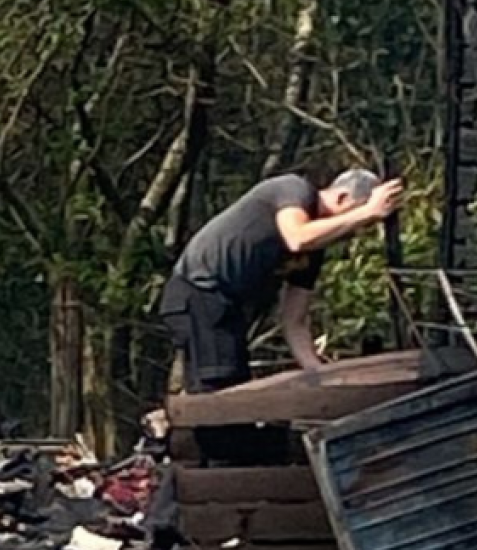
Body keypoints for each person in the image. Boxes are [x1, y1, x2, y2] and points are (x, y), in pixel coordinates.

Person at [159, 168, 404, 394]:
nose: (355, 231)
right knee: (218, 389)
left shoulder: (313, 251)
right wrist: (367, 212)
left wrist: (316, 371)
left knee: (235, 384)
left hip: (228, 309)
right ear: (341, 198)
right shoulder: (294, 189)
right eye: (359, 222)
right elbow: (296, 237)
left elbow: (293, 320)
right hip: (198, 293)